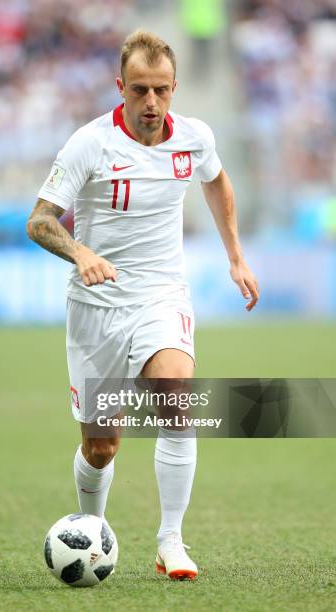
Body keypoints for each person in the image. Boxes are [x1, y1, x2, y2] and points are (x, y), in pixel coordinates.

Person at [27, 29, 259, 581]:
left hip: (162, 295)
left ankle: (170, 542)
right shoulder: (90, 143)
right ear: (120, 88)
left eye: (160, 90)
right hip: (96, 307)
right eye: (139, 91)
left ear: (174, 87)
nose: (151, 103)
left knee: (177, 399)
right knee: (102, 445)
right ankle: (92, 528)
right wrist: (79, 251)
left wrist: (235, 255)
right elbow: (38, 221)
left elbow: (218, 182)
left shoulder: (194, 138)